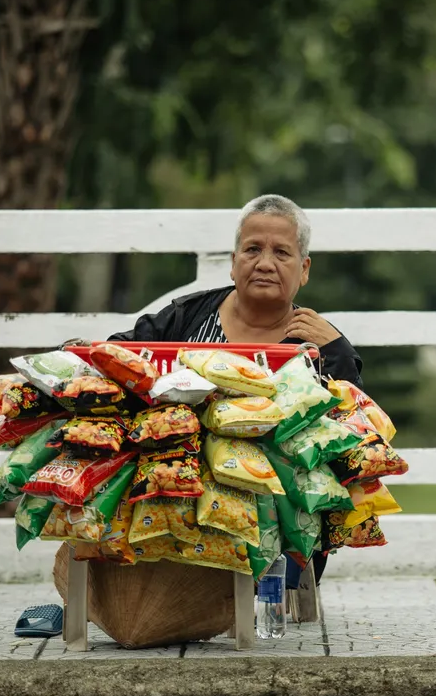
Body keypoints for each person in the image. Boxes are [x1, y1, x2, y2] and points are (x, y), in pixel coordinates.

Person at [108, 193, 363, 586]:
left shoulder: (317, 344)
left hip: (276, 521)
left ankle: (268, 587)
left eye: (282, 252)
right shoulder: (186, 319)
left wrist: (340, 354)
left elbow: (354, 435)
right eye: (252, 249)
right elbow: (122, 353)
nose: (264, 263)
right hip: (169, 504)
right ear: (233, 263)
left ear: (304, 269)